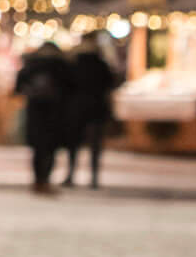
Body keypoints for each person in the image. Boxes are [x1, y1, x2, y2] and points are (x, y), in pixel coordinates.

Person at [13, 37, 75, 194]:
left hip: (36, 110)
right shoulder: (63, 65)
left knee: (38, 147)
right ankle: (45, 179)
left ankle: (38, 180)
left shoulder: (32, 64)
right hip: (56, 111)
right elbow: (71, 88)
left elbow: (18, 87)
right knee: (51, 148)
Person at [65, 36, 121, 188]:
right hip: (96, 107)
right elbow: (111, 83)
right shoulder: (101, 65)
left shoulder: (73, 64)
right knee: (95, 144)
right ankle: (94, 176)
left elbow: (66, 86)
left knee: (74, 143)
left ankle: (70, 174)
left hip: (77, 107)